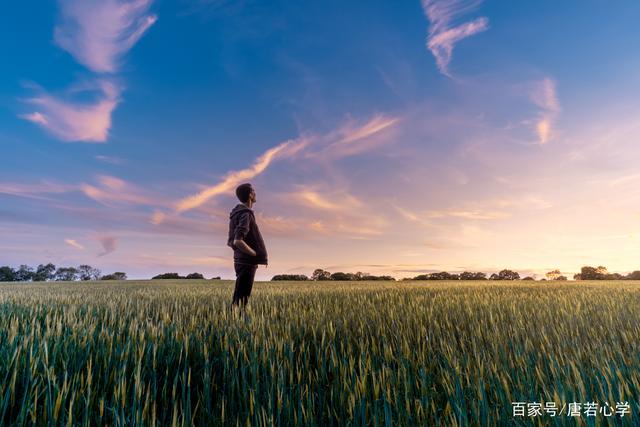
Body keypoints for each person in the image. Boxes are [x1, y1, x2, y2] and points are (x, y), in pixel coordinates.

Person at [227, 183, 268, 308]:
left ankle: (233, 321)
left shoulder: (237, 213)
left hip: (240, 260)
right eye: (254, 191)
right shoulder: (246, 214)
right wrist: (254, 254)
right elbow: (237, 240)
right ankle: (236, 323)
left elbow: (231, 241)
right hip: (247, 262)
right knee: (242, 299)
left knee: (239, 296)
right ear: (250, 194)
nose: (255, 193)